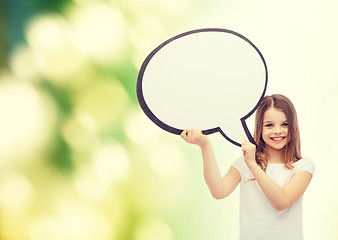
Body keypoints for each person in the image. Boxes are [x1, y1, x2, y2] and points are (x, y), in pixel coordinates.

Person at [181, 94, 315, 240]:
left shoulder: (303, 166)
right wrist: (205, 146)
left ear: (293, 126)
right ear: (260, 128)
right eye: (269, 125)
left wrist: (252, 163)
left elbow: (281, 201)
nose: (277, 130)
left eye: (285, 124)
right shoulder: (243, 162)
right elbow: (218, 191)